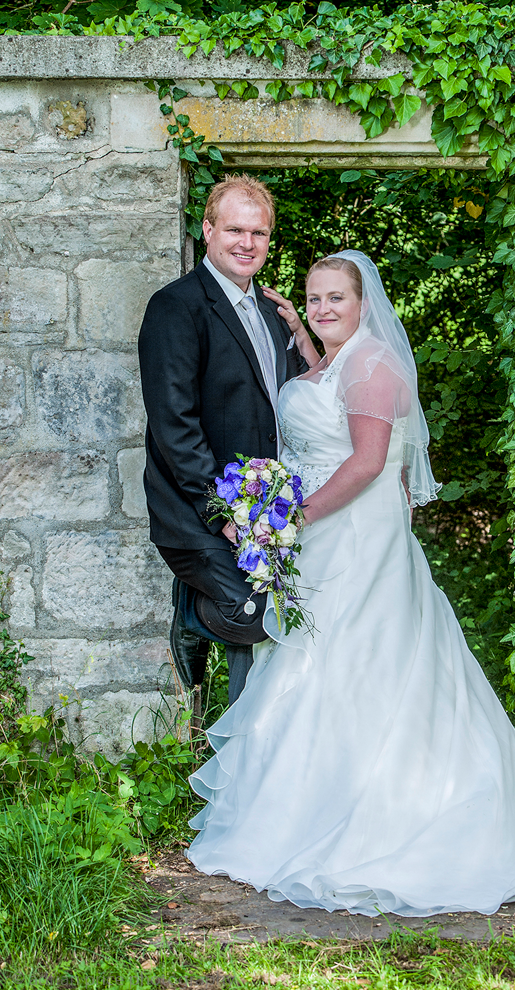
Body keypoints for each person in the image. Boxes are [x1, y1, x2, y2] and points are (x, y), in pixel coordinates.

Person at [186, 250, 515, 917]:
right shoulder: (332, 362)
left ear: (363, 303)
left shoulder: (375, 366)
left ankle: (388, 816)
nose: (323, 308)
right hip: (321, 539)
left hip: (356, 536)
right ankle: (306, 807)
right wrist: (299, 336)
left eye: (336, 298)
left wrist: (291, 519)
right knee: (315, 662)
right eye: (313, 298)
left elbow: (366, 464)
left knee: (363, 660)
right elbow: (324, 406)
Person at [138, 175, 320, 705]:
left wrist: (302, 335)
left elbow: (293, 403)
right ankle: (191, 613)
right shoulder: (176, 306)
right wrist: (222, 513)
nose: (247, 243)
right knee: (257, 615)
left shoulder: (271, 311)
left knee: (287, 615)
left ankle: (245, 742)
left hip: (267, 508)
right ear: (208, 229)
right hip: (198, 514)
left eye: (258, 233)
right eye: (235, 229)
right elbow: (174, 422)